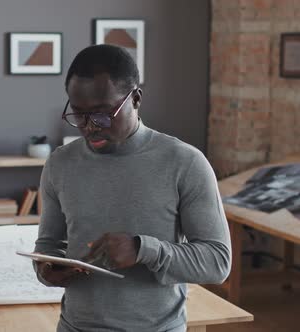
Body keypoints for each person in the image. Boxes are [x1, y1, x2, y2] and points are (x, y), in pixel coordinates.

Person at [33, 44, 231, 332]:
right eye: (78, 115)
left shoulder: (185, 162)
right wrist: (46, 270)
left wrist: (143, 249)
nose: (89, 127)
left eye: (101, 115)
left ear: (136, 99)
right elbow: (48, 246)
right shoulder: (60, 164)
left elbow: (217, 262)